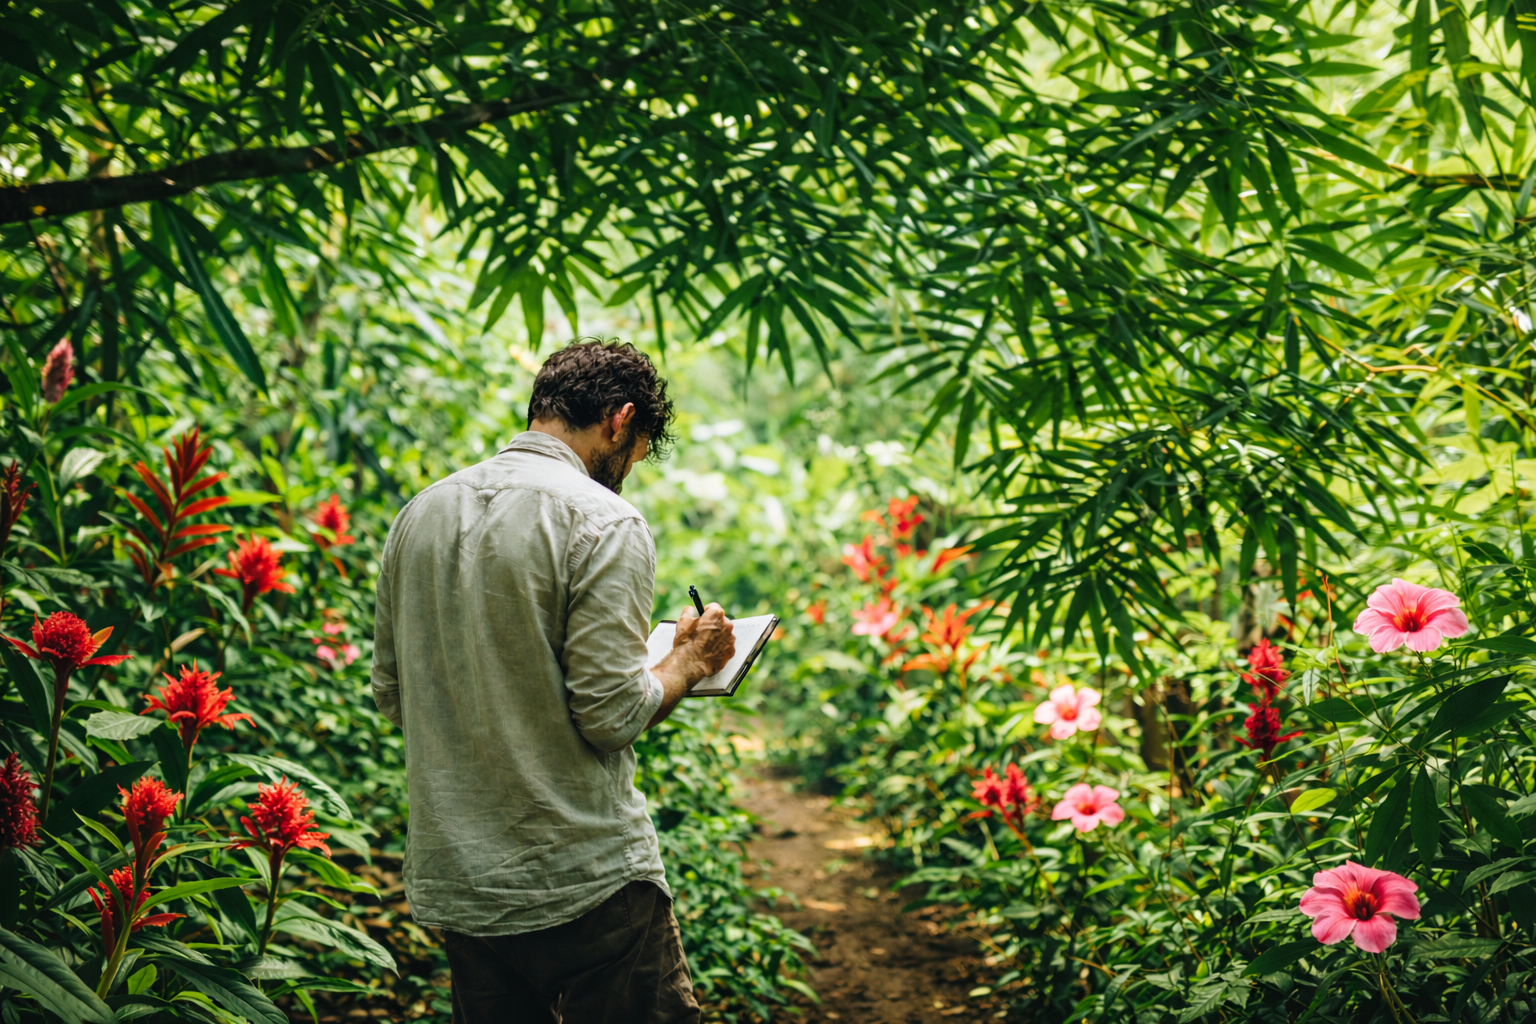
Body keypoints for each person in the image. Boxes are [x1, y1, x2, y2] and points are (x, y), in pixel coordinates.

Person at [370, 339, 736, 1023]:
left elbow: (394, 694)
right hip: (585, 878)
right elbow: (609, 713)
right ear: (619, 420)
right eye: (635, 452)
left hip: (466, 882)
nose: (627, 471)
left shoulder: (420, 513)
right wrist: (686, 662)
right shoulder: (603, 520)